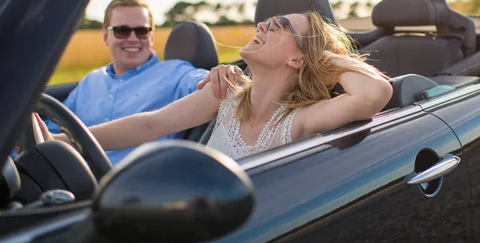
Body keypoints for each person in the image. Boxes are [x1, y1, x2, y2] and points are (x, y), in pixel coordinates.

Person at [39, 12, 393, 161]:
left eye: (279, 24)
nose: (262, 24)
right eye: (266, 20)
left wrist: (323, 57)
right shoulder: (225, 95)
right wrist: (62, 142)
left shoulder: (299, 120)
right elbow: (151, 125)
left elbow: (374, 93)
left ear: (297, 59)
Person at [45, 0, 208, 165]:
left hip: (132, 186)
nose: (132, 38)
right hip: (74, 179)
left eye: (142, 31)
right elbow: (54, 126)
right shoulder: (90, 81)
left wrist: (220, 75)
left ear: (151, 37)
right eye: (121, 30)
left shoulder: (176, 73)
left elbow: (208, 83)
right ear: (105, 36)